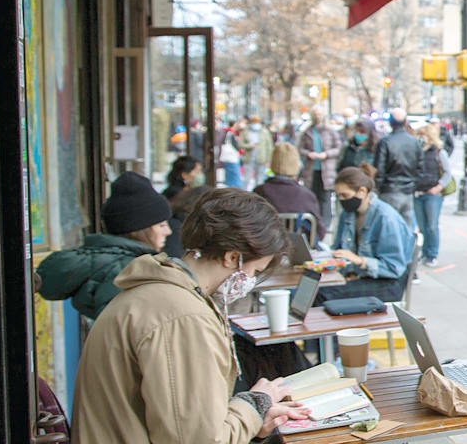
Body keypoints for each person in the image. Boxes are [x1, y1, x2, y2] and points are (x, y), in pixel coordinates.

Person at [70, 188, 308, 442]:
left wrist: (249, 418)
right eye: (254, 271)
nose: (250, 281)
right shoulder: (183, 316)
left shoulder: (160, 293)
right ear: (232, 258)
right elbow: (197, 439)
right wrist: (254, 405)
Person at [37, 172, 174, 319]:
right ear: (137, 230)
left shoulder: (114, 263)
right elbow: (126, 331)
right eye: (161, 225)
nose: (168, 231)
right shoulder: (129, 270)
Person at [320, 165, 416, 303]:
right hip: (360, 276)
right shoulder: (347, 214)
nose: (341, 200)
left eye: (345, 195)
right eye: (338, 196)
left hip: (388, 283)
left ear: (362, 192)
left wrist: (360, 261)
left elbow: (394, 268)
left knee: (322, 295)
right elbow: (339, 250)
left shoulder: (385, 218)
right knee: (312, 288)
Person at [252, 142, 324, 242]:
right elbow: (319, 232)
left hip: (265, 247)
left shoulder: (259, 191)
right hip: (298, 250)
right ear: (296, 165)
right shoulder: (306, 194)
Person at [371, 108, 421, 226]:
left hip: (390, 189)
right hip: (406, 189)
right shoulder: (414, 142)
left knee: (389, 225)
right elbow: (420, 168)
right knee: (405, 225)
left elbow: (379, 168)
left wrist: (379, 187)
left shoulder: (385, 142)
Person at [297, 107, 341, 221]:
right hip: (311, 170)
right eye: (315, 114)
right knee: (312, 196)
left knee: (325, 197)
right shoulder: (307, 132)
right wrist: (308, 154)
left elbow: (338, 148)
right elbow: (300, 148)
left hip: (326, 170)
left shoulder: (330, 131)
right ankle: (313, 221)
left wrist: (326, 154)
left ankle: (325, 222)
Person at [413, 123, 446, 267]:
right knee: (422, 226)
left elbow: (448, 172)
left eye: (423, 135)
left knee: (432, 225)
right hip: (418, 192)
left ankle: (432, 254)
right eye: (419, 135)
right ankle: (425, 253)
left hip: (433, 194)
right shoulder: (415, 152)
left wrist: (439, 187)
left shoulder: (438, 153)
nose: (420, 138)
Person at [239, 116, 273, 189]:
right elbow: (240, 144)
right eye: (253, 122)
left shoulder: (265, 132)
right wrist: (249, 146)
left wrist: (268, 160)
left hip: (261, 159)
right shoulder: (245, 131)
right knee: (246, 179)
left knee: (260, 179)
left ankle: (259, 194)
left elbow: (269, 147)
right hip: (249, 158)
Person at [216, 123, 243, 189]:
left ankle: (230, 187)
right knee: (234, 174)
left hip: (226, 157)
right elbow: (234, 145)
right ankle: (235, 188)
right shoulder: (230, 133)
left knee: (229, 174)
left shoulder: (225, 132)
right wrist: (240, 151)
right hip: (231, 157)